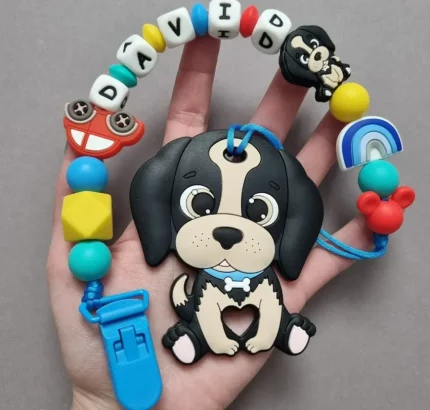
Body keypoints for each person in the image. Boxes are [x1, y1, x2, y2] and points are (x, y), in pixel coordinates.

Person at [47, 36, 371, 410]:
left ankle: (281, 327)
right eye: (199, 205)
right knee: (206, 309)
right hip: (193, 302)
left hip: (258, 284)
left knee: (270, 302)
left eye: (260, 212)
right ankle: (199, 337)